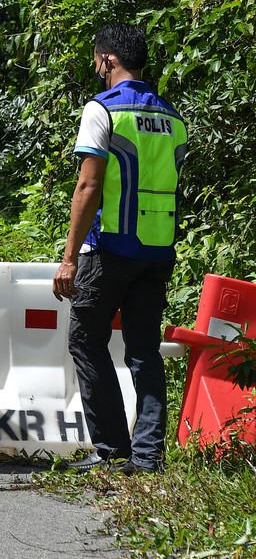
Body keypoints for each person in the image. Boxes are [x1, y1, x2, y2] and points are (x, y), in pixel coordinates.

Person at [53, 24, 187, 474]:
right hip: (158, 249)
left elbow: (88, 186)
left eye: (96, 60)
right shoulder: (172, 117)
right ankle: (148, 457)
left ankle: (112, 450)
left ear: (108, 59)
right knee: (144, 350)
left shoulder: (103, 109)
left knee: (85, 341)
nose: (96, 67)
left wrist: (69, 258)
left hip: (109, 247)